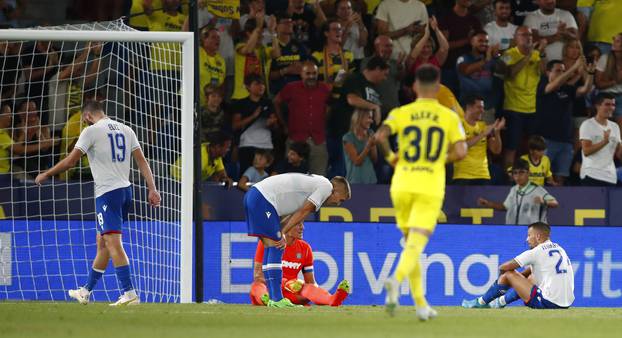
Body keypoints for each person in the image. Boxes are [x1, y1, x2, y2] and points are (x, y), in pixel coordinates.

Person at [34, 100, 161, 306]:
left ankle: (129, 293)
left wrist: (47, 173)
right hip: (125, 191)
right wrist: (152, 188)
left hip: (108, 193)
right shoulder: (126, 129)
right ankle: (85, 291)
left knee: (112, 243)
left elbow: (71, 161)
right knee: (102, 243)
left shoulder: (91, 131)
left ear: (86, 116)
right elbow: (141, 161)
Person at [375, 65, 467, 320]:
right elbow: (461, 152)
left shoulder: (401, 112)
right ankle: (396, 280)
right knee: (416, 243)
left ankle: (420, 305)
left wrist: (393, 157)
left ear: (414, 87)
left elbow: (379, 136)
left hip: (402, 183)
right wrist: (438, 159)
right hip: (429, 185)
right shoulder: (448, 116)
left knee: (410, 245)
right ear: (438, 88)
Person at [244, 173, 351, 307]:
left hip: (256, 196)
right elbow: (302, 212)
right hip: (262, 198)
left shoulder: (304, 247)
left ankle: (275, 298)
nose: (338, 204)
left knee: (272, 245)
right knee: (276, 244)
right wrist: (282, 233)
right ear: (335, 190)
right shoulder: (326, 187)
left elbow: (293, 214)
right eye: (340, 199)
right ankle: (276, 299)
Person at [462, 222, 574, 309]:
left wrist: (509, 279)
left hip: (548, 302)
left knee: (509, 274)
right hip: (567, 303)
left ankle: (481, 302)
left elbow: (504, 267)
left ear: (538, 236)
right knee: (530, 277)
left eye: (529, 235)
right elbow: (536, 270)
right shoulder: (560, 249)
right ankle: (499, 302)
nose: (527, 239)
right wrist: (520, 280)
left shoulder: (537, 251)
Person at [249, 222, 350, 306]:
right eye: (298, 224)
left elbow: (311, 283)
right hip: (270, 290)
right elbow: (258, 276)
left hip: (290, 295)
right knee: (256, 286)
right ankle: (265, 299)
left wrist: (305, 288)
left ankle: (332, 299)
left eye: (302, 224)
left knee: (308, 288)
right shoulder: (267, 243)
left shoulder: (305, 248)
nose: (302, 227)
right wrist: (285, 283)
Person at [536, 59, 594, 185]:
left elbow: (585, 90)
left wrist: (590, 74)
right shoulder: (542, 86)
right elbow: (553, 86)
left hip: (566, 141)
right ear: (547, 72)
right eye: (558, 71)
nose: (561, 73)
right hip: (546, 140)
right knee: (541, 176)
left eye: (563, 71)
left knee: (561, 177)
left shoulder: (567, 89)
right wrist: (573, 68)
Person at [499, 26, 547, 169]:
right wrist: (528, 56)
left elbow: (545, 73)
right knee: (512, 146)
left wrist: (542, 54)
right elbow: (508, 73)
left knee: (533, 147)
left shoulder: (537, 55)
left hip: (532, 109)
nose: (528, 37)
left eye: (530, 35)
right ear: (516, 38)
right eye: (524, 35)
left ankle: (532, 176)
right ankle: (508, 177)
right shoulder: (508, 54)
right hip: (513, 109)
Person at [273, 61, 330, 175]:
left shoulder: (325, 88)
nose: (311, 76)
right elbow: (276, 101)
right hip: (295, 138)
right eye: (308, 73)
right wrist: (283, 124)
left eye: (314, 73)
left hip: (318, 139)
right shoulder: (291, 87)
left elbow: (330, 107)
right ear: (301, 74)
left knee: (319, 179)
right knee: (290, 178)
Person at [478, 158, 559, 225]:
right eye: (515, 173)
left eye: (521, 172)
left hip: (533, 233)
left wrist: (543, 201)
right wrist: (488, 204)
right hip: (513, 231)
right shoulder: (514, 189)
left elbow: (555, 203)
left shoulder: (537, 189)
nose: (518, 176)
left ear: (528, 173)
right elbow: (505, 207)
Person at [452, 94, 504, 185]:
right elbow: (461, 146)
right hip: (463, 176)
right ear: (469, 107)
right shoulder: (458, 124)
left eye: (483, 108)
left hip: (483, 175)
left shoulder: (483, 126)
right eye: (479, 107)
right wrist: (482, 134)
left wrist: (497, 132)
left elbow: (496, 150)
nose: (482, 111)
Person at [579, 93, 622, 186]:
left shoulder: (615, 127)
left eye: (613, 105)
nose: (611, 108)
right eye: (607, 104)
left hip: (611, 177)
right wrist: (604, 142)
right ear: (597, 106)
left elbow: (619, 154)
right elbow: (586, 151)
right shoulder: (587, 125)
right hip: (592, 175)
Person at [343, 109, 378, 184]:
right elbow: (357, 162)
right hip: (354, 181)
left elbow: (374, 159)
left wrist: (373, 145)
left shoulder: (371, 133)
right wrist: (368, 146)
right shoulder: (348, 138)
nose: (371, 121)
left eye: (371, 118)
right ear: (359, 118)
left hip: (370, 180)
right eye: (369, 117)